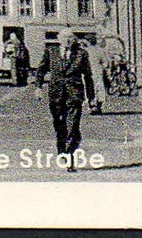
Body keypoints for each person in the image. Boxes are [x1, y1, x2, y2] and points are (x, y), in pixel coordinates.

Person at [46, 31, 96, 171]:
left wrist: (91, 97)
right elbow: (41, 70)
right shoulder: (51, 51)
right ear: (59, 39)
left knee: (73, 126)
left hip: (74, 95)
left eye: (69, 39)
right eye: (64, 38)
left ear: (73, 40)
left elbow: (88, 76)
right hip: (56, 95)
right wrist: (38, 87)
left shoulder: (82, 54)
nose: (67, 41)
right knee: (59, 126)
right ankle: (62, 150)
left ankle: (69, 158)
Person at [82, 34, 107, 113]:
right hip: (98, 71)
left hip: (88, 71)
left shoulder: (85, 51)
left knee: (89, 87)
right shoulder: (100, 50)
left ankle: (92, 105)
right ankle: (98, 105)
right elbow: (105, 63)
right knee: (99, 87)